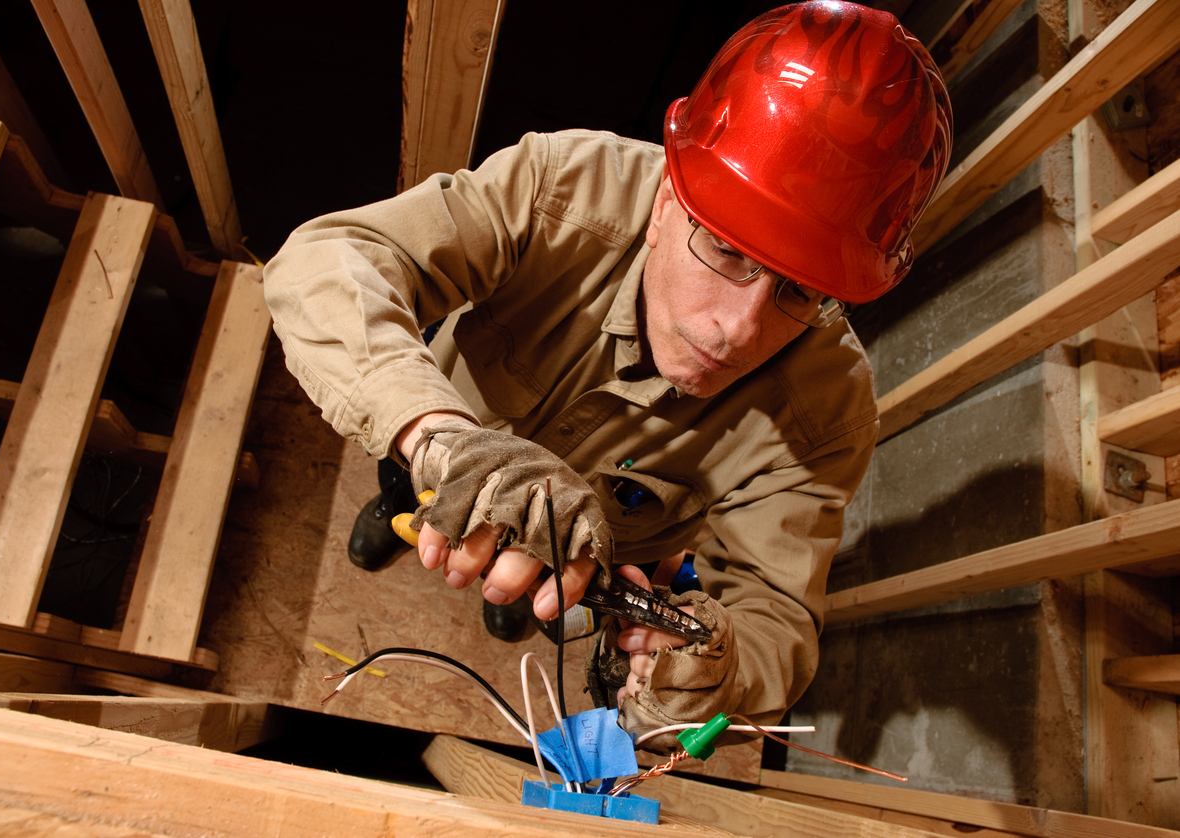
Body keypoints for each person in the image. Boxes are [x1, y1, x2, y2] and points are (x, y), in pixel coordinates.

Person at [263, 0, 952, 751]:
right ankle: (399, 502)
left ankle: (518, 604)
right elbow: (323, 264)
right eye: (726, 251)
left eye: (797, 291)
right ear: (666, 203)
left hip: (592, 564)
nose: (741, 327)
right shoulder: (565, 189)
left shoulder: (830, 412)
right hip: (439, 450)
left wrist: (716, 674)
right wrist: (435, 438)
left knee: (532, 601)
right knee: (407, 487)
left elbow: (775, 622)